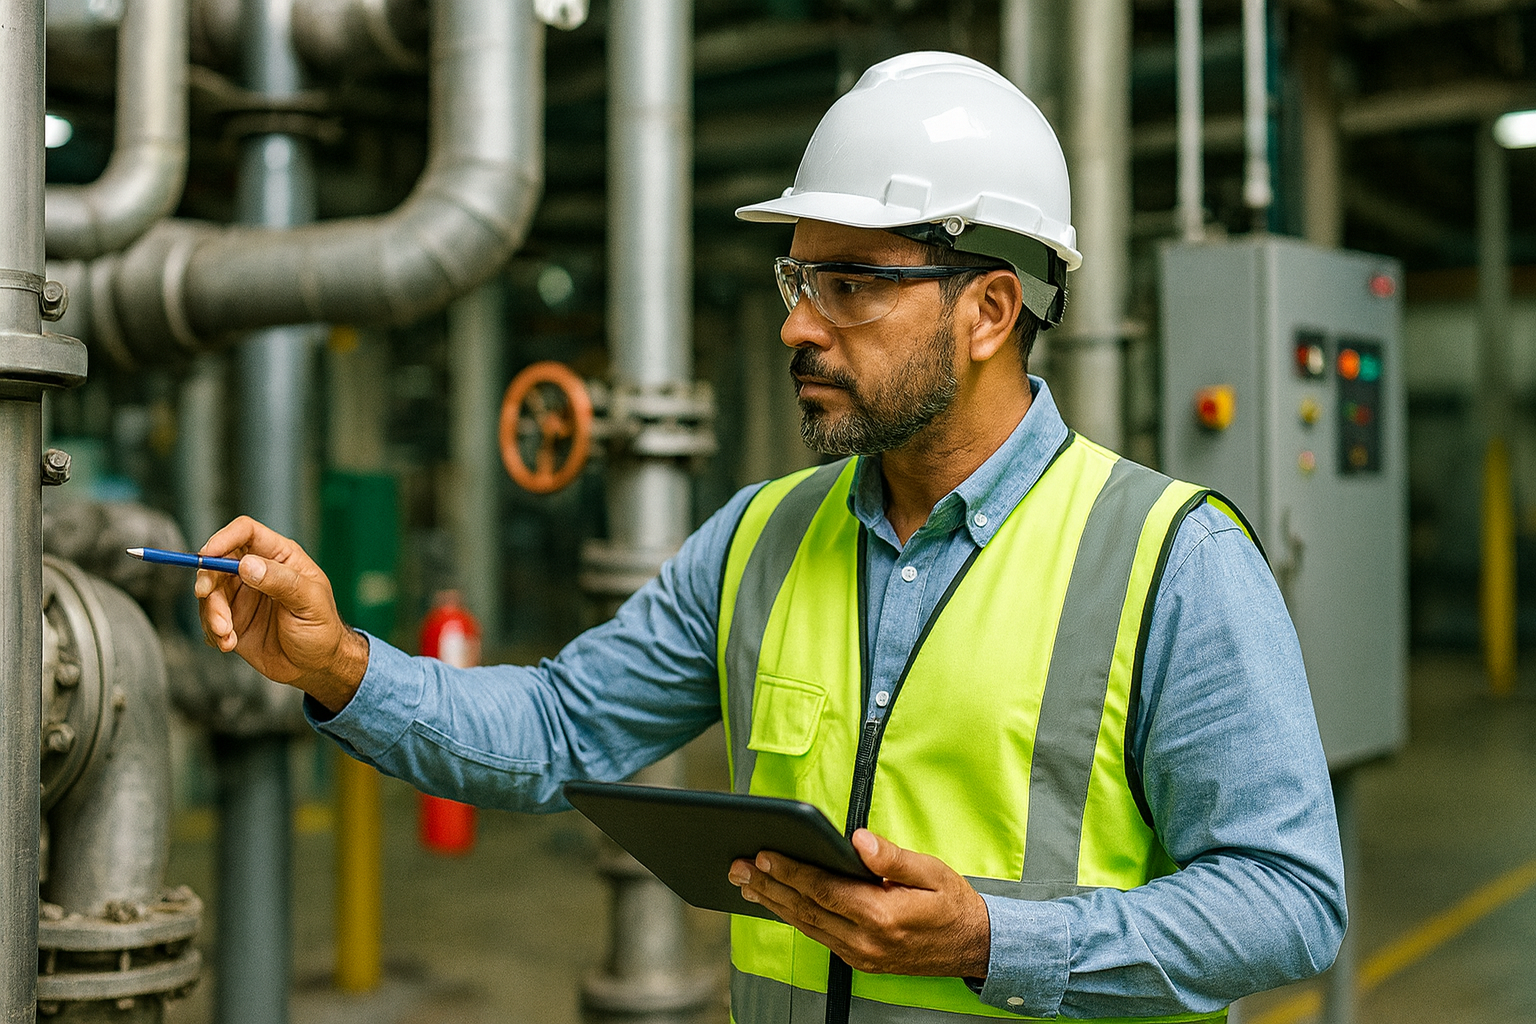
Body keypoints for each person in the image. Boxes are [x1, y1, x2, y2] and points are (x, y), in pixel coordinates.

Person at [197, 52, 1344, 1024]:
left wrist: (993, 937)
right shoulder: (761, 536)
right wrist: (338, 664)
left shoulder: (1167, 557)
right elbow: (557, 729)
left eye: (851, 283)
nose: (797, 320)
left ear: (992, 309)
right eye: (799, 274)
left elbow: (1289, 900)